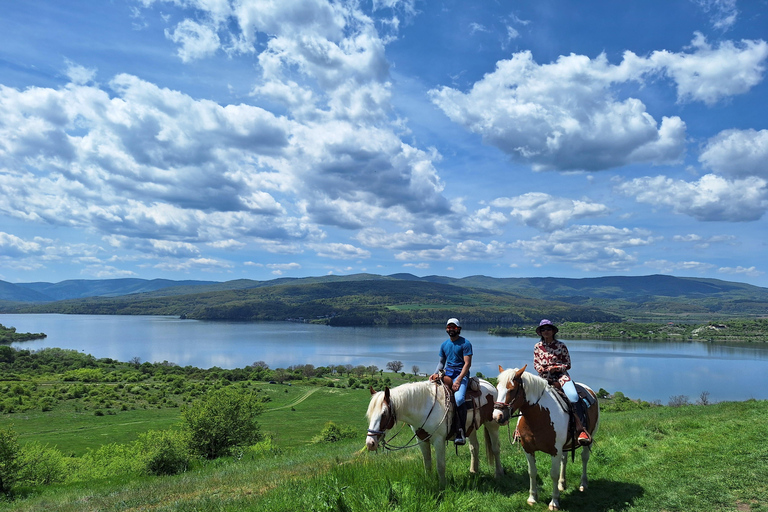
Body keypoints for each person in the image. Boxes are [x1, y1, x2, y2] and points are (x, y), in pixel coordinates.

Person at [533, 319, 591, 445]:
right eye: (543, 330)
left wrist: (556, 368)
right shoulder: (537, 347)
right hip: (542, 377)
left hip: (560, 376)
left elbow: (567, 364)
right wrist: (541, 369)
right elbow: (536, 364)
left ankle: (581, 429)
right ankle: (519, 429)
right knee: (527, 395)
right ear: (540, 332)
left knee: (574, 396)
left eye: (548, 329)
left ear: (553, 331)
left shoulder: (561, 345)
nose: (546, 332)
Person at [430, 318, 472, 445]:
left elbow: (467, 364)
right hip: (448, 374)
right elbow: (441, 363)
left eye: (453, 327)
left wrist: (459, 380)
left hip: (461, 375)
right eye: (449, 327)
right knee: (434, 392)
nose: (451, 329)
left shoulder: (465, 343)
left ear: (458, 329)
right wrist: (435, 373)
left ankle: (460, 431)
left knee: (459, 399)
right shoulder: (444, 345)